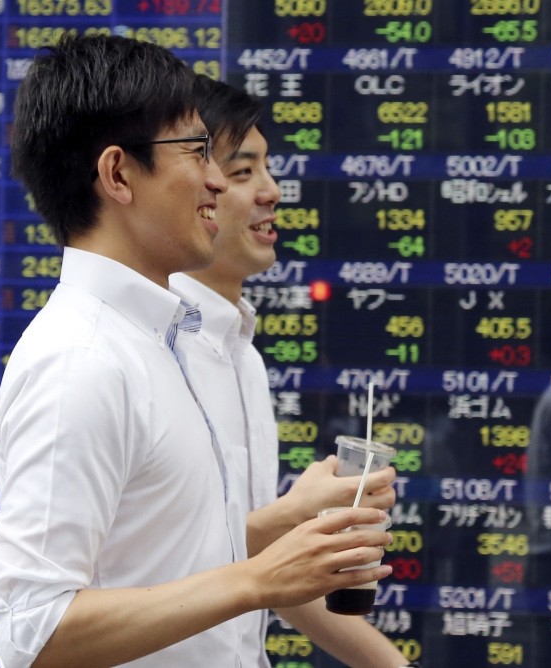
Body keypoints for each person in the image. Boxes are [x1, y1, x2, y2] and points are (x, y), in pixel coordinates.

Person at [0, 35, 392, 668]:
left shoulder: (169, 338)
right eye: (198, 153)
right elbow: (33, 632)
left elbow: (164, 560)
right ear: (118, 174)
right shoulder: (81, 360)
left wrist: (287, 531)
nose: (215, 181)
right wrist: (259, 578)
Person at [169, 75, 409, 667]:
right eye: (243, 171)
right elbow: (149, 569)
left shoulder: (242, 357)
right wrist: (290, 516)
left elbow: (258, 574)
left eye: (268, 169)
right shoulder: (146, 352)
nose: (272, 191)